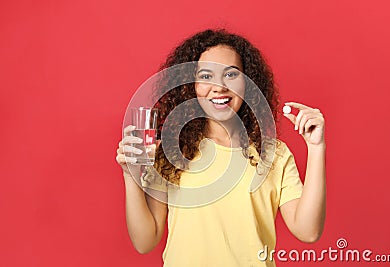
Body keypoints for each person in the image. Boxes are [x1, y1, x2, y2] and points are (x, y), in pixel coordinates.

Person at [116, 29, 326, 267]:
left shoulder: (274, 155)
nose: (219, 87)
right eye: (206, 76)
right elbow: (145, 241)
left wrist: (316, 147)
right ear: (190, 87)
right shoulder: (173, 151)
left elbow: (308, 231)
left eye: (231, 75)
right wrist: (130, 175)